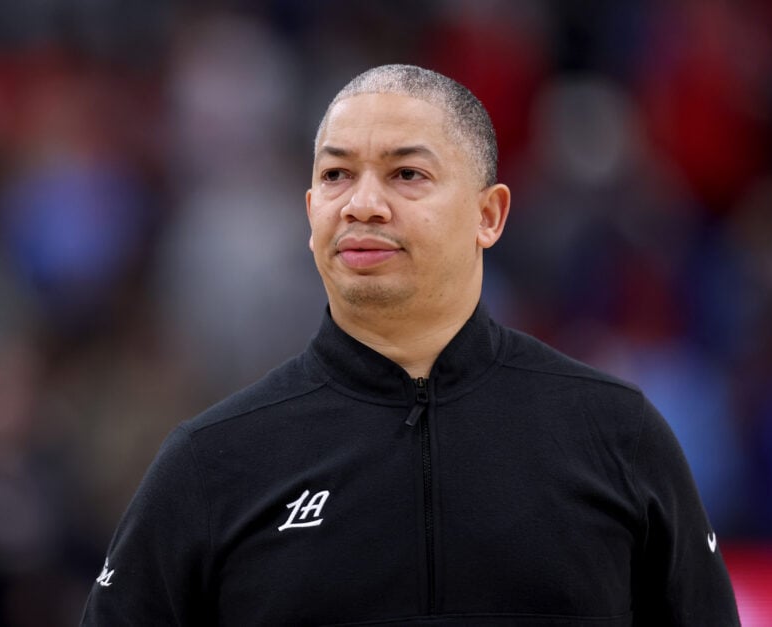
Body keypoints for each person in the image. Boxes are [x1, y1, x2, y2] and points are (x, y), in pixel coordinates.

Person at [81, 64, 739, 626]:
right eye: (337, 175)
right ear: (310, 212)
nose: (362, 204)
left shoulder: (616, 436)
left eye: (406, 174)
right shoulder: (211, 463)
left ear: (489, 214)